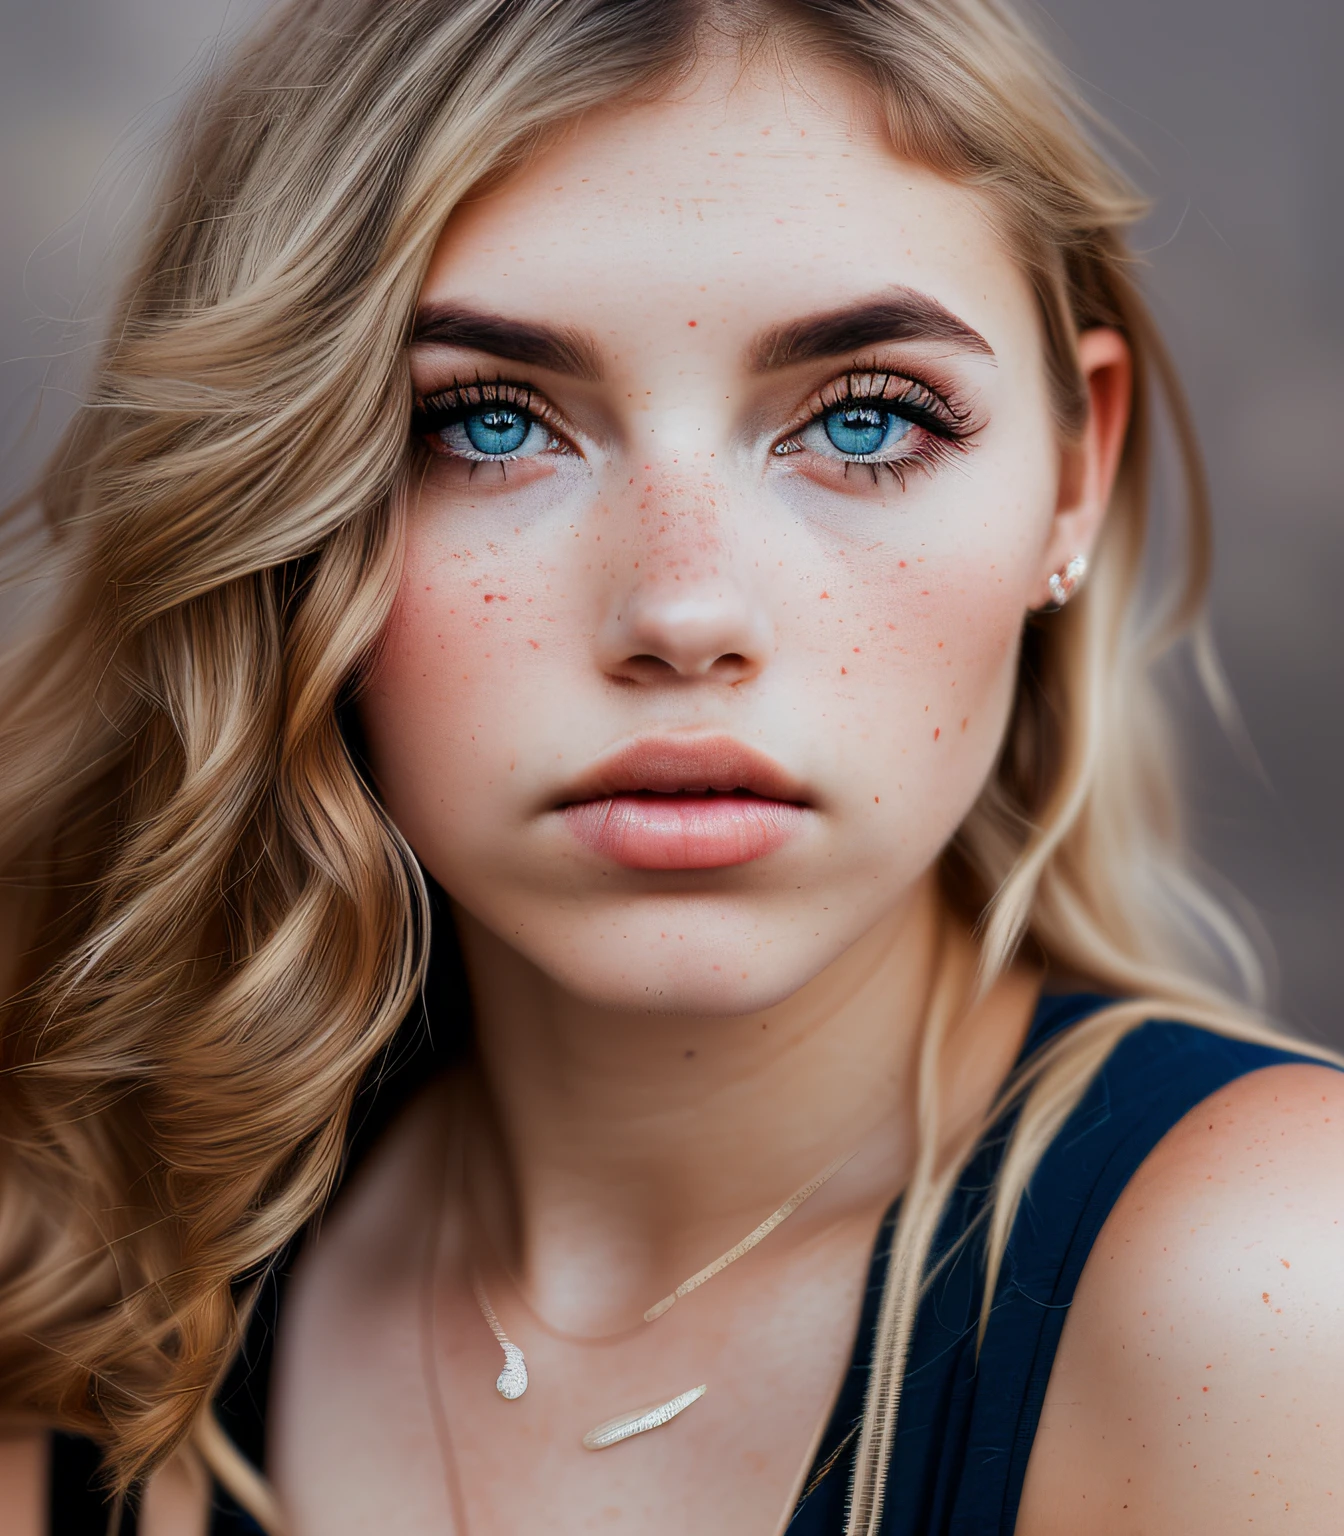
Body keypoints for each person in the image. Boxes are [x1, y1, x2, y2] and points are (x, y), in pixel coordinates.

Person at [2, 0, 1341, 1531]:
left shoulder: (1273, 1296)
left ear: (1073, 476)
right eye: (490, 425)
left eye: (865, 418)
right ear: (282, 508)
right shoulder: (86, 1281)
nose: (683, 611)